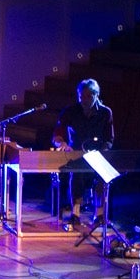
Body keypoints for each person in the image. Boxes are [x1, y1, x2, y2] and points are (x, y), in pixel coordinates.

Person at [50, 78, 115, 228]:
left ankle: (99, 214)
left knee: (102, 176)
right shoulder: (70, 111)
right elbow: (57, 135)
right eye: (81, 96)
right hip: (76, 155)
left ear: (96, 95)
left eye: (87, 97)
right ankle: (76, 214)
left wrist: (102, 152)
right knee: (76, 174)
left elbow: (109, 139)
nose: (83, 100)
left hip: (97, 155)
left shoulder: (106, 113)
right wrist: (63, 144)